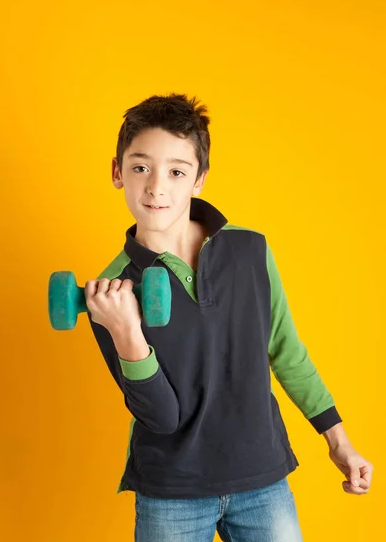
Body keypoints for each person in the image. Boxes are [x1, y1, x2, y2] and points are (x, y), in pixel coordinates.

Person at [85, 93, 373, 542]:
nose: (157, 187)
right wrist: (125, 331)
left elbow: (285, 351)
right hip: (172, 490)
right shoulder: (110, 292)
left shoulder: (250, 249)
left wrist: (339, 442)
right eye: (141, 167)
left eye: (177, 171)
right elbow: (160, 418)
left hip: (261, 479)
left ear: (199, 180)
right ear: (117, 172)